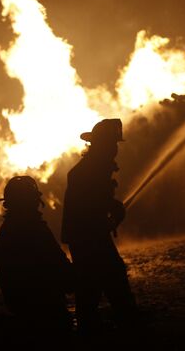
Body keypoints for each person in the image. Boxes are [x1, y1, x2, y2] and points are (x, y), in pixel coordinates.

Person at [61, 118, 137, 334]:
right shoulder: (88, 171)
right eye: (111, 144)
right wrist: (113, 209)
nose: (114, 149)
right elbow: (90, 202)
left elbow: (96, 199)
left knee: (93, 281)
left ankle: (97, 323)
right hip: (87, 235)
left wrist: (112, 207)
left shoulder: (94, 168)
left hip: (87, 234)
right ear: (100, 145)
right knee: (108, 275)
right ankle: (125, 321)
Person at [0, 176, 73, 331]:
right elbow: (60, 269)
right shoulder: (34, 230)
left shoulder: (6, 231)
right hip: (46, 311)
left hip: (21, 308)